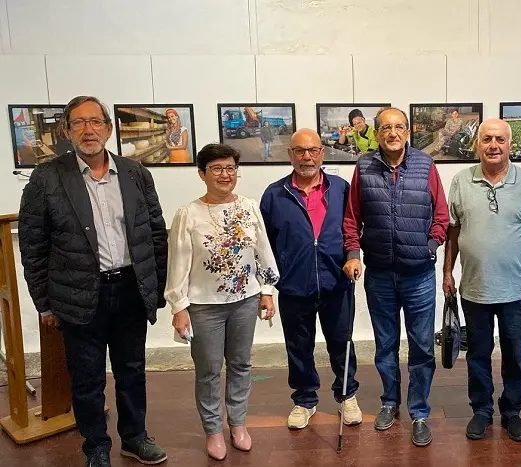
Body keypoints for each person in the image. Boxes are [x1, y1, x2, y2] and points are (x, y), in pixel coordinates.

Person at [18, 96, 169, 467]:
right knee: (87, 378)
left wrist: (156, 286)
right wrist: (44, 303)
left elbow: (155, 233)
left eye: (95, 122)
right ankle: (96, 446)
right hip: (78, 294)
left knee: (131, 371)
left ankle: (134, 437)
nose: (89, 130)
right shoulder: (47, 178)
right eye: (79, 123)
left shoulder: (136, 174)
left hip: (131, 289)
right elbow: (33, 245)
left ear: (108, 127)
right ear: (67, 131)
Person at [342, 107, 450, 447]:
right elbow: (351, 219)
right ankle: (390, 402)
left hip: (419, 276)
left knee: (421, 347)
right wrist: (353, 255)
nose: (392, 133)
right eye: (385, 127)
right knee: (385, 345)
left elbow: (442, 216)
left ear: (407, 132)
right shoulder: (363, 168)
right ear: (376, 133)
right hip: (380, 275)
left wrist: (429, 246)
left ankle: (419, 411)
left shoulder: (426, 166)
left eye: (398, 127)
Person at [164, 143, 278, 460]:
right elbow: (178, 264)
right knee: (209, 370)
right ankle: (213, 430)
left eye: (230, 168)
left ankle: (238, 423)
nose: (225, 174)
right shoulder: (188, 215)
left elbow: (263, 251)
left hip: (245, 300)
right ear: (202, 174)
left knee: (241, 365)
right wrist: (179, 307)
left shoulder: (249, 207)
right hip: (203, 307)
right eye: (216, 169)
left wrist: (267, 290)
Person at [443, 119, 521, 442]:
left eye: (500, 139)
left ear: (510, 143)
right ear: (477, 144)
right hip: (474, 288)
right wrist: (447, 271)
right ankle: (482, 411)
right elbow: (453, 231)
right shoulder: (461, 180)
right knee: (477, 355)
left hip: (516, 290)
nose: (493, 145)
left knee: (515, 355)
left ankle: (512, 411)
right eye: (487, 139)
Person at [260, 129, 361, 431]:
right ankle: (305, 400)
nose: (307, 157)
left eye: (313, 150)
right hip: (294, 285)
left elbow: (352, 228)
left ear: (322, 153)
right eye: (300, 151)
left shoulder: (341, 188)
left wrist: (353, 255)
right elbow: (263, 245)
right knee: (298, 346)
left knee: (341, 344)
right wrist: (267, 287)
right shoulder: (274, 194)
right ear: (290, 154)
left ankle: (347, 396)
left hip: (336, 282)